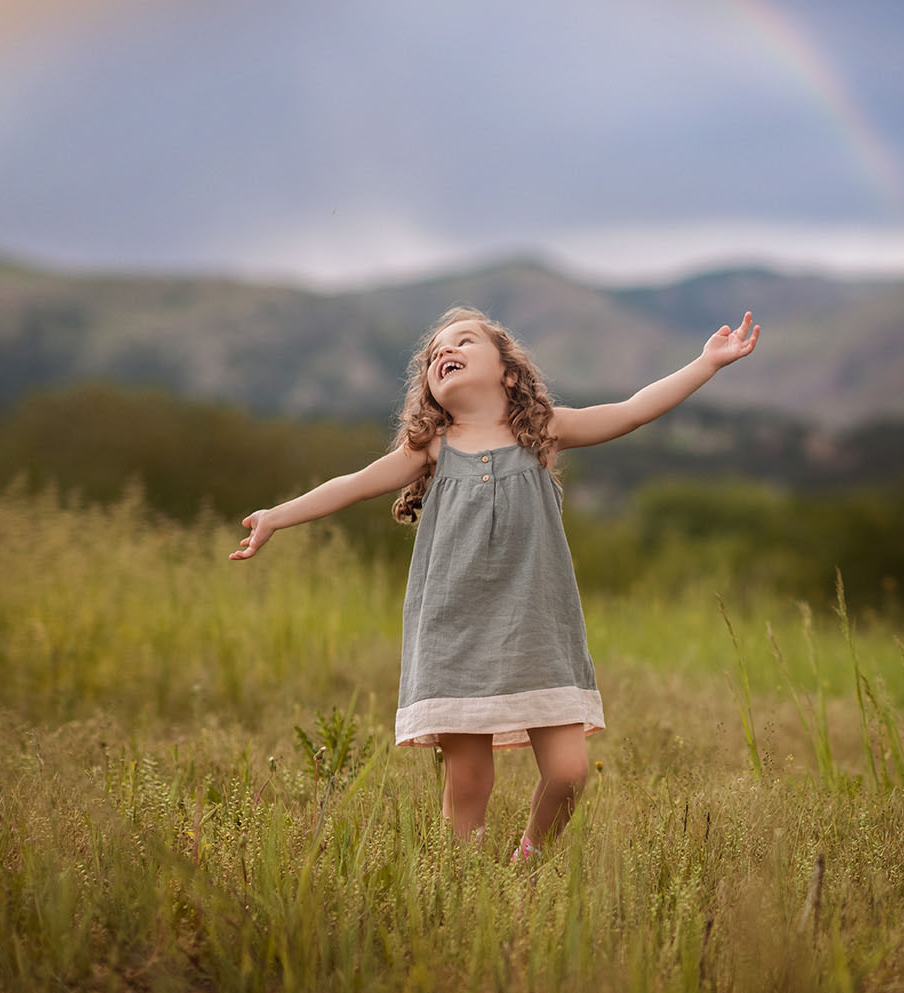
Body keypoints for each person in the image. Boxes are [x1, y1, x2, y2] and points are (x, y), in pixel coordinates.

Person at [229, 304, 760, 862]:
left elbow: (630, 411)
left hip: (536, 630)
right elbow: (354, 484)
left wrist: (706, 364)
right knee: (468, 781)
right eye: (434, 354)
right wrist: (277, 515)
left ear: (509, 372)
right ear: (429, 388)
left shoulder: (542, 432)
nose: (443, 353)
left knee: (570, 772)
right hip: (454, 632)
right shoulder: (430, 448)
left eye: (462, 342)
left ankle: (525, 866)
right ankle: (461, 885)